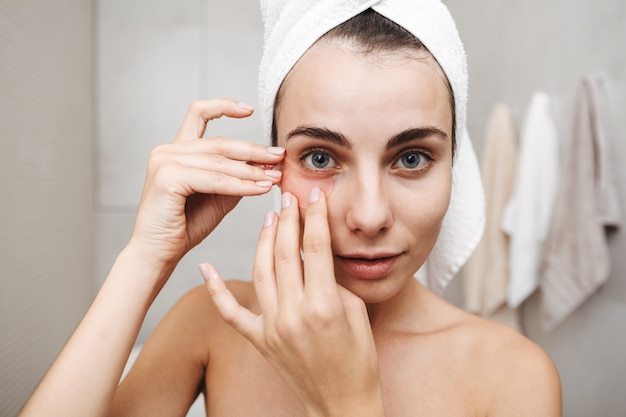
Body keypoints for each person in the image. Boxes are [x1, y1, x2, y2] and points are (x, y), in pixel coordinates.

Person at [19, 2, 562, 416]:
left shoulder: (513, 377)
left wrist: (348, 403)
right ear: (272, 160)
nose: (369, 215)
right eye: (322, 156)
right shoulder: (213, 322)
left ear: (454, 166)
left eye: (412, 157)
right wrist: (145, 257)